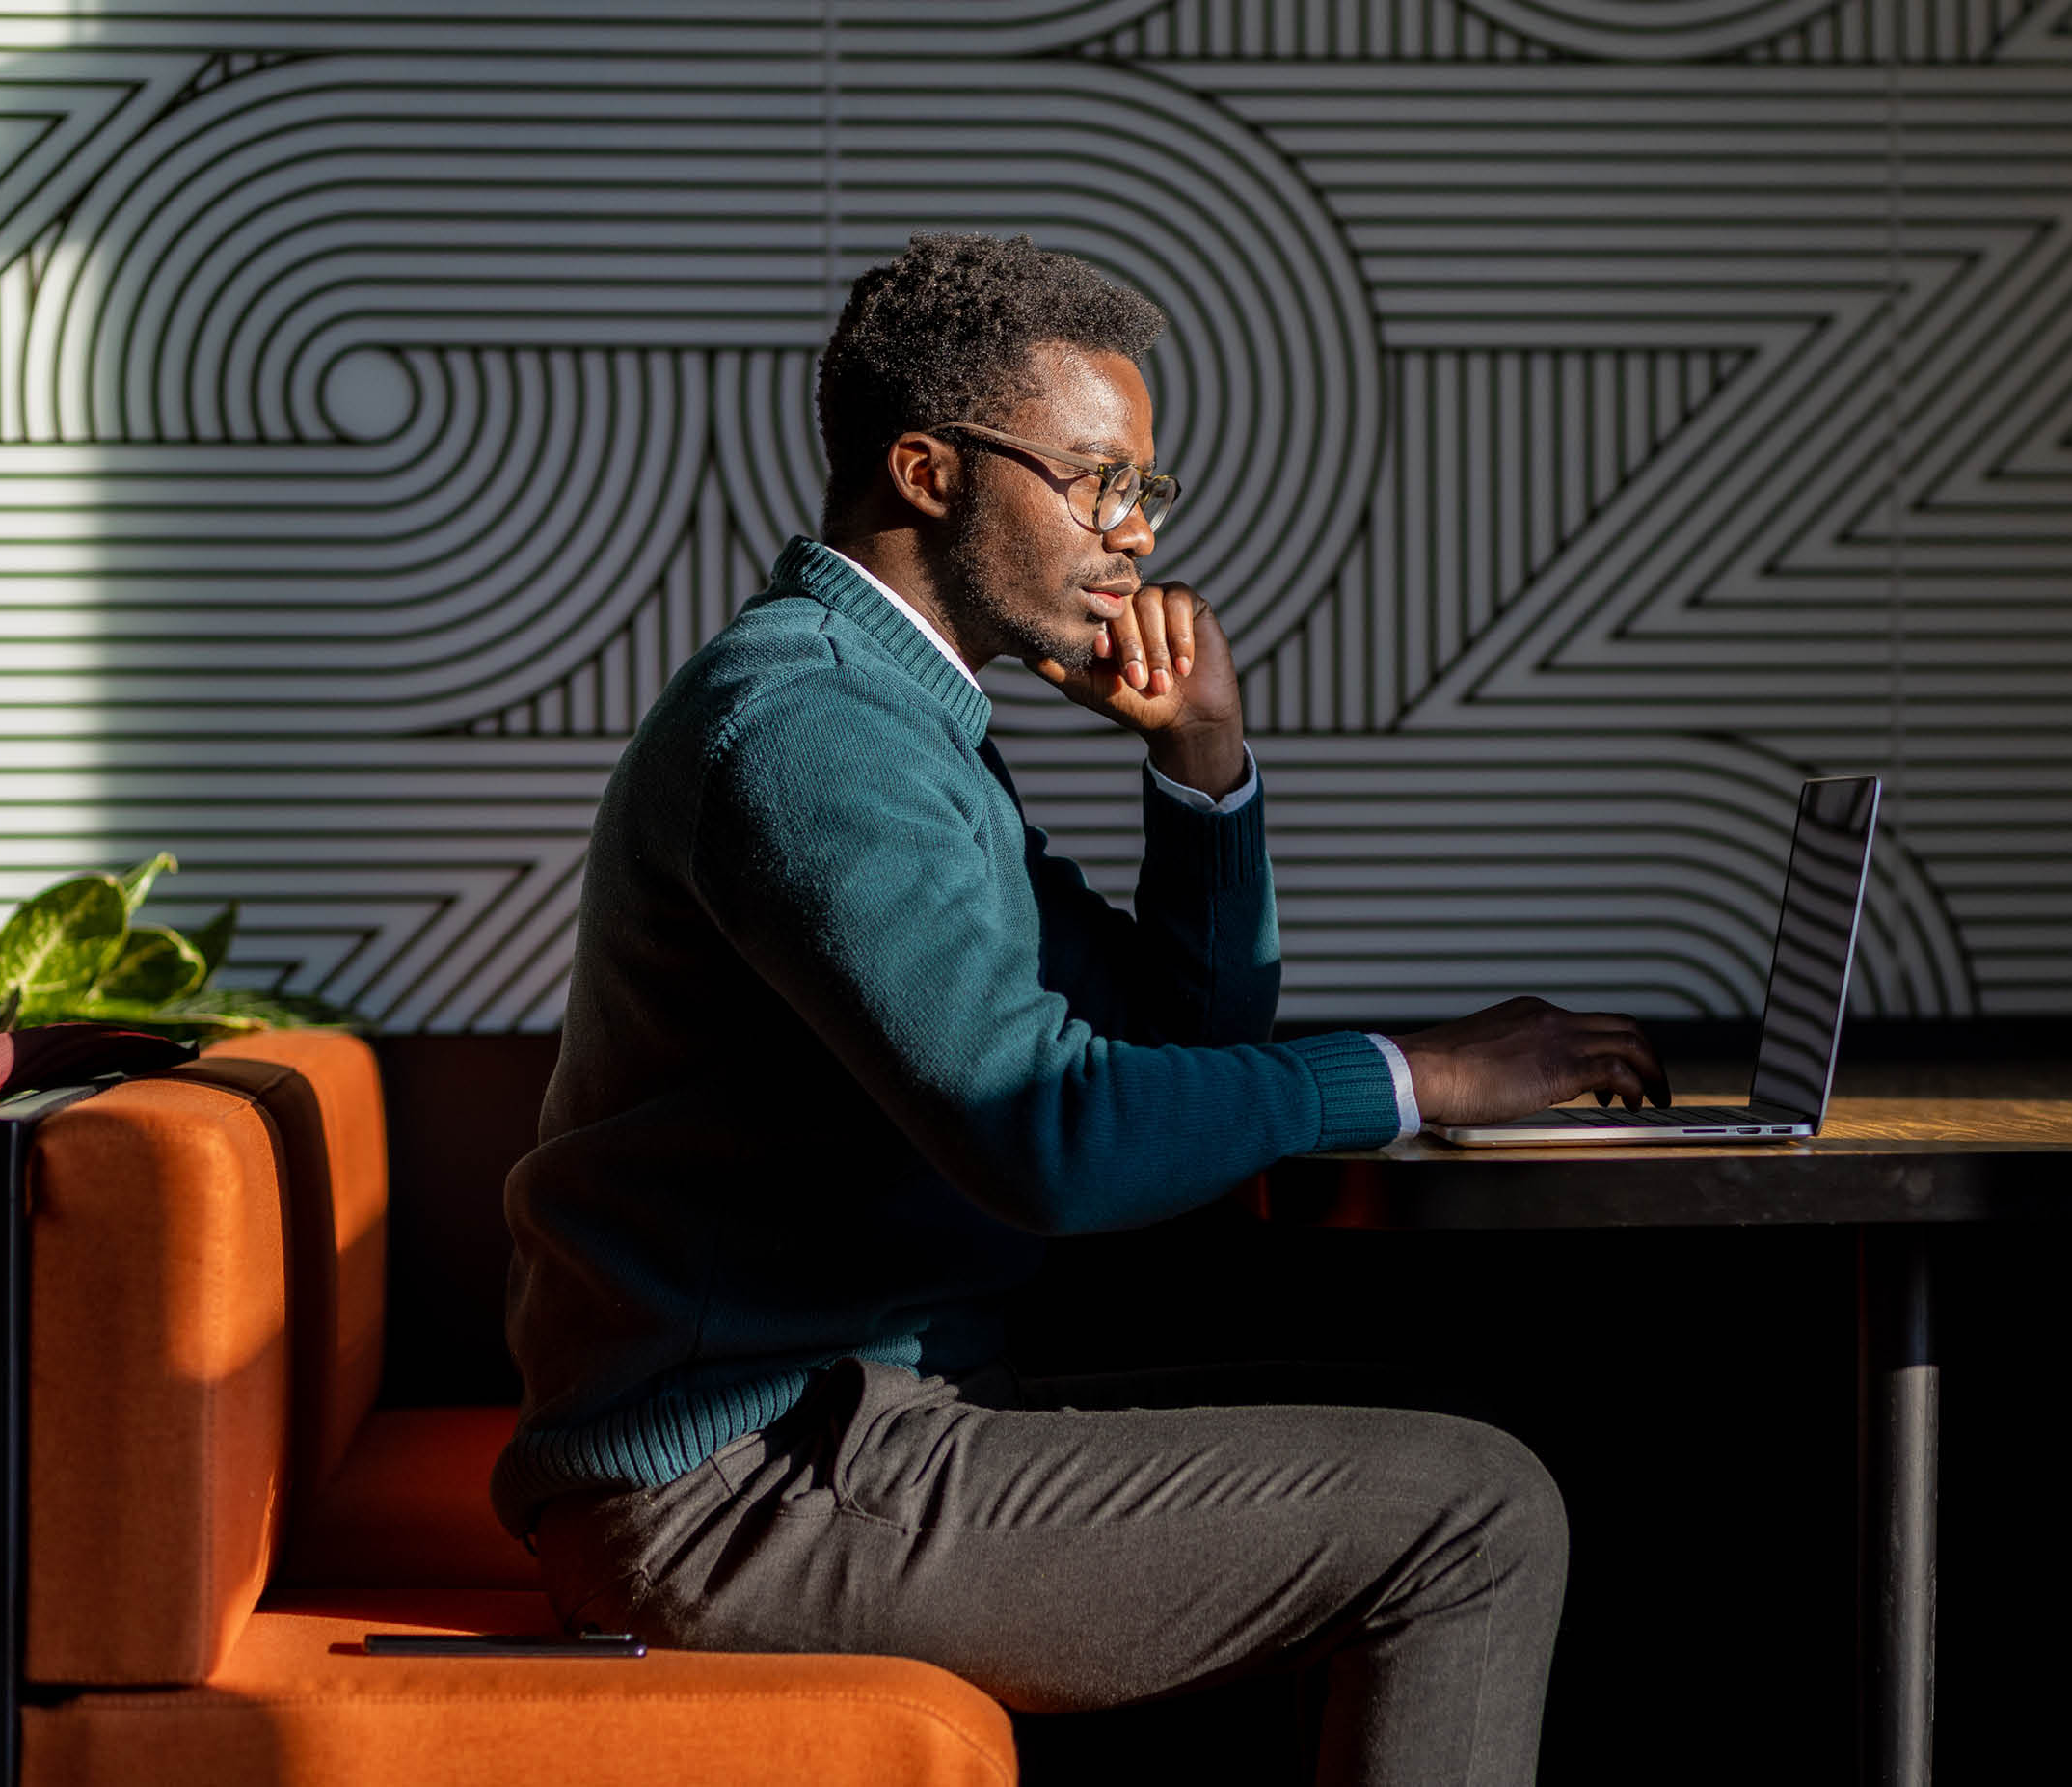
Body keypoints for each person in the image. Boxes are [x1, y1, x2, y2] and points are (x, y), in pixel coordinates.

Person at [494, 233, 1670, 1787]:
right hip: (739, 1495)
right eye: (1098, 483)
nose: (1132, 540)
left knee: (1431, 1431)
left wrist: (1203, 765)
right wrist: (1430, 1070)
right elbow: (1046, 1132)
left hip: (852, 1434)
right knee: (1473, 1509)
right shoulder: (807, 731)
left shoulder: (899, 719)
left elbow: (1184, 1044)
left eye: (1146, 494)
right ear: (928, 468)